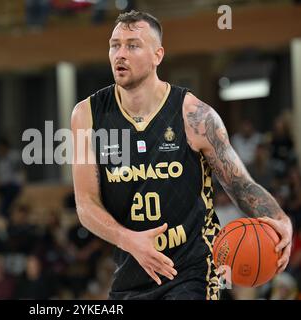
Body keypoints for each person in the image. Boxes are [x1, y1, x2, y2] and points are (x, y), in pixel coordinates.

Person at [71, 10, 293, 300]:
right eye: (115, 45)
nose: (120, 54)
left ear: (157, 55)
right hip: (132, 272)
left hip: (193, 272)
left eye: (133, 45)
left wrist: (280, 219)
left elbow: (240, 184)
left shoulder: (195, 115)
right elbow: (85, 204)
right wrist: (129, 240)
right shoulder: (86, 114)